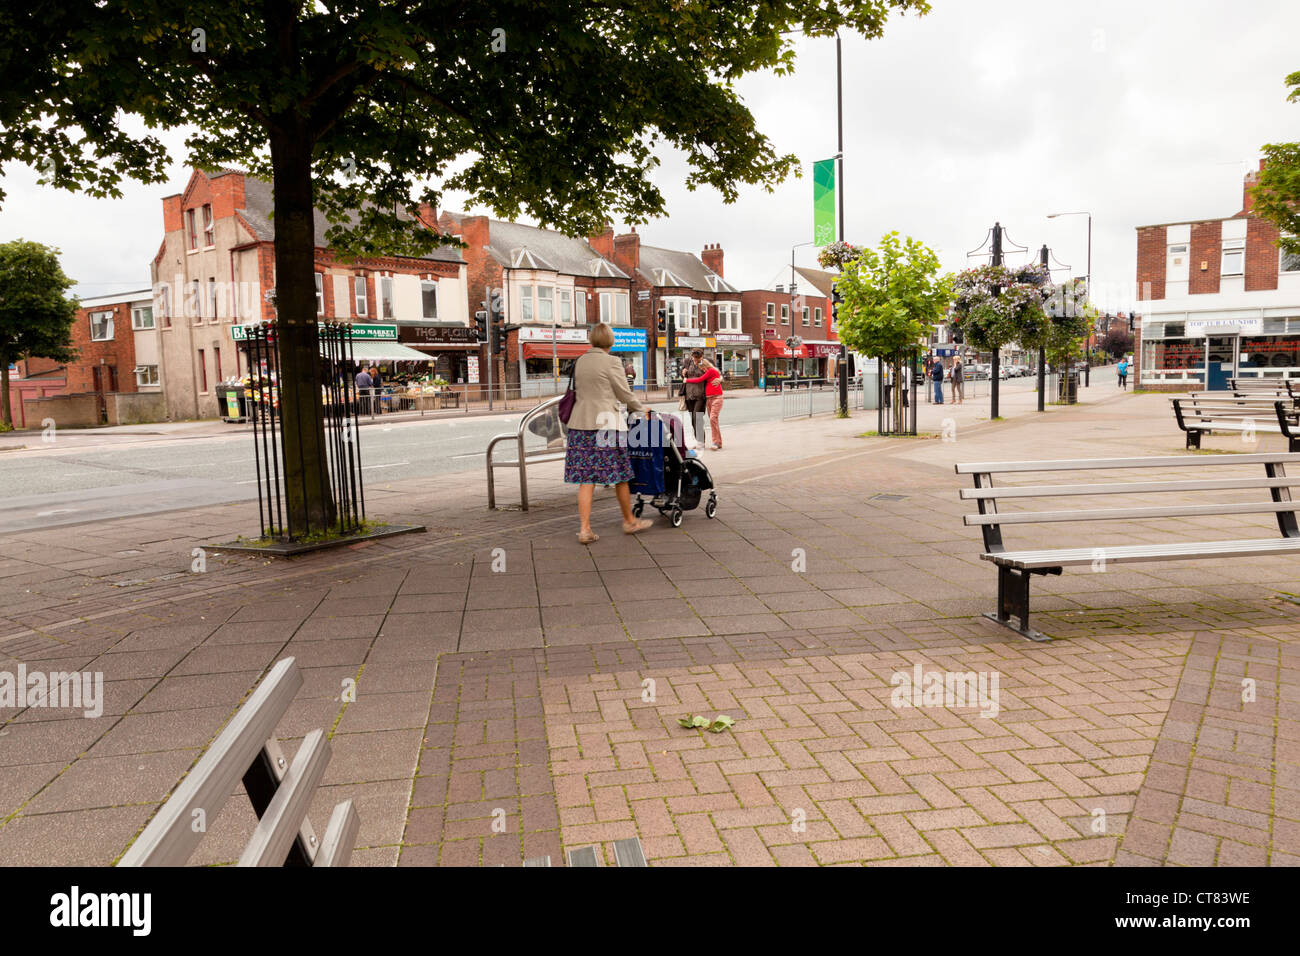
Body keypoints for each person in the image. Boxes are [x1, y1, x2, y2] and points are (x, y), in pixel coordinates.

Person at [564, 322, 653, 544]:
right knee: (620, 476)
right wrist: (640, 409)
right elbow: (624, 393)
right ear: (611, 341)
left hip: (580, 425)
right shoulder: (612, 361)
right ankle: (630, 521)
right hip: (607, 425)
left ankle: (585, 530)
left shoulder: (580, 361)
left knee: (586, 479)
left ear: (592, 339)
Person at [685, 357, 725, 450]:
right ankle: (718, 442)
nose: (702, 370)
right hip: (708, 398)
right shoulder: (689, 363)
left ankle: (715, 442)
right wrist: (684, 371)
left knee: (712, 418)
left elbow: (700, 379)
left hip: (716, 397)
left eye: (702, 368)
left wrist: (687, 380)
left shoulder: (710, 370)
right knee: (714, 421)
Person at [681, 349, 707, 446]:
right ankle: (698, 440)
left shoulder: (705, 363)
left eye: (697, 358)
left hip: (700, 394)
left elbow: (714, 373)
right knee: (692, 418)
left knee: (697, 416)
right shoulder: (687, 362)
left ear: (701, 357)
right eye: (694, 358)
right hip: (689, 394)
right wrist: (682, 372)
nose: (695, 360)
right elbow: (683, 377)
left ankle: (701, 441)